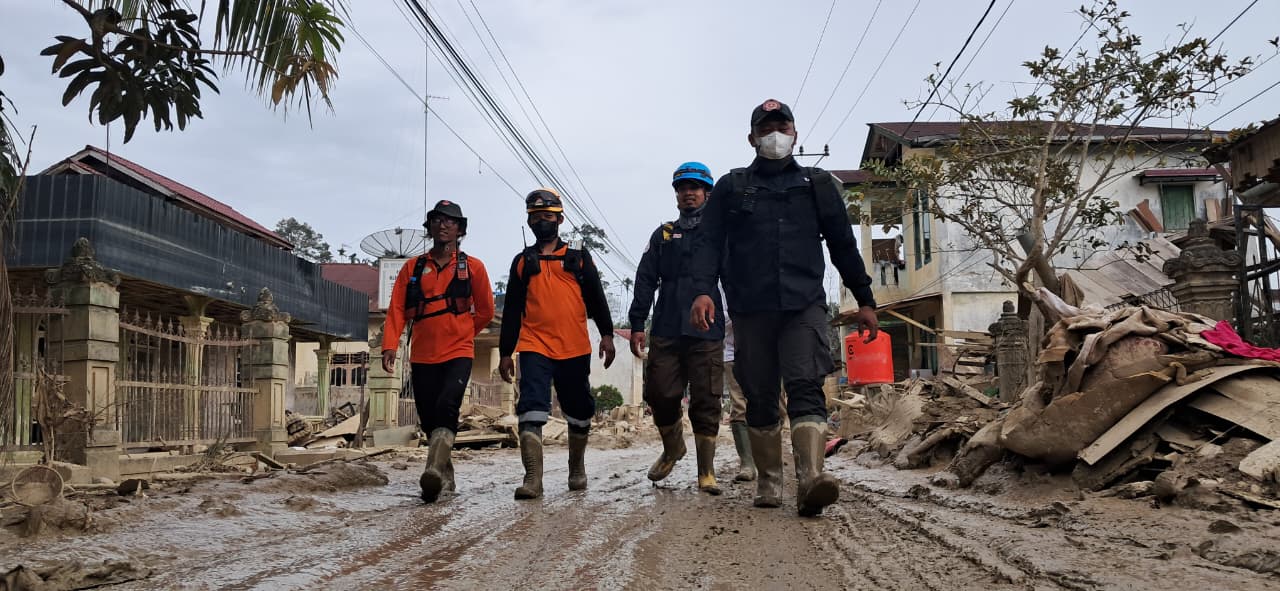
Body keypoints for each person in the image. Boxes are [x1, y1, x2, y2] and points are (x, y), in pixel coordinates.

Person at [690, 99, 879, 517]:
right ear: (752, 137)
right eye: (766, 127)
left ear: (794, 133)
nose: (774, 134)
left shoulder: (819, 184)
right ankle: (770, 480)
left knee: (805, 384)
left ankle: (810, 477)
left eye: (782, 126)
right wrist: (703, 291)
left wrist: (865, 299)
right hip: (750, 308)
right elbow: (708, 244)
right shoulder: (731, 186)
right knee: (758, 395)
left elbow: (843, 247)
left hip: (803, 306)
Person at [498, 188, 616, 500]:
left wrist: (607, 335)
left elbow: (596, 299)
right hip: (534, 344)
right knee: (531, 407)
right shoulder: (523, 262)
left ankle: (576, 466)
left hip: (574, 347)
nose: (542, 222)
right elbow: (511, 310)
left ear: (560, 219)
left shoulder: (577, 258)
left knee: (579, 411)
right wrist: (506, 352)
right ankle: (533, 479)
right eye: (536, 217)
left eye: (548, 217)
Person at [381, 199, 495, 503]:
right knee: (430, 418)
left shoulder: (473, 268)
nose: (443, 225)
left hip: (458, 352)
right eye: (437, 220)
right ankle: (445, 478)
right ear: (430, 226)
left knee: (448, 406)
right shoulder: (412, 268)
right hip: (422, 355)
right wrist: (390, 345)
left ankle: (431, 469)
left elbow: (485, 310)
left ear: (460, 229)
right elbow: (396, 310)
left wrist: (464, 334)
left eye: (450, 221)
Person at [628, 162, 725, 495]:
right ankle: (673, 447)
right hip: (667, 327)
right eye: (682, 188)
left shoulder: (720, 234)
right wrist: (638, 322)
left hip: (708, 330)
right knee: (659, 392)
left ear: (707, 193)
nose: (688, 193)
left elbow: (739, 277)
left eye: (695, 187)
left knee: (706, 398)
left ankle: (706, 472)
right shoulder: (664, 235)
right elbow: (644, 280)